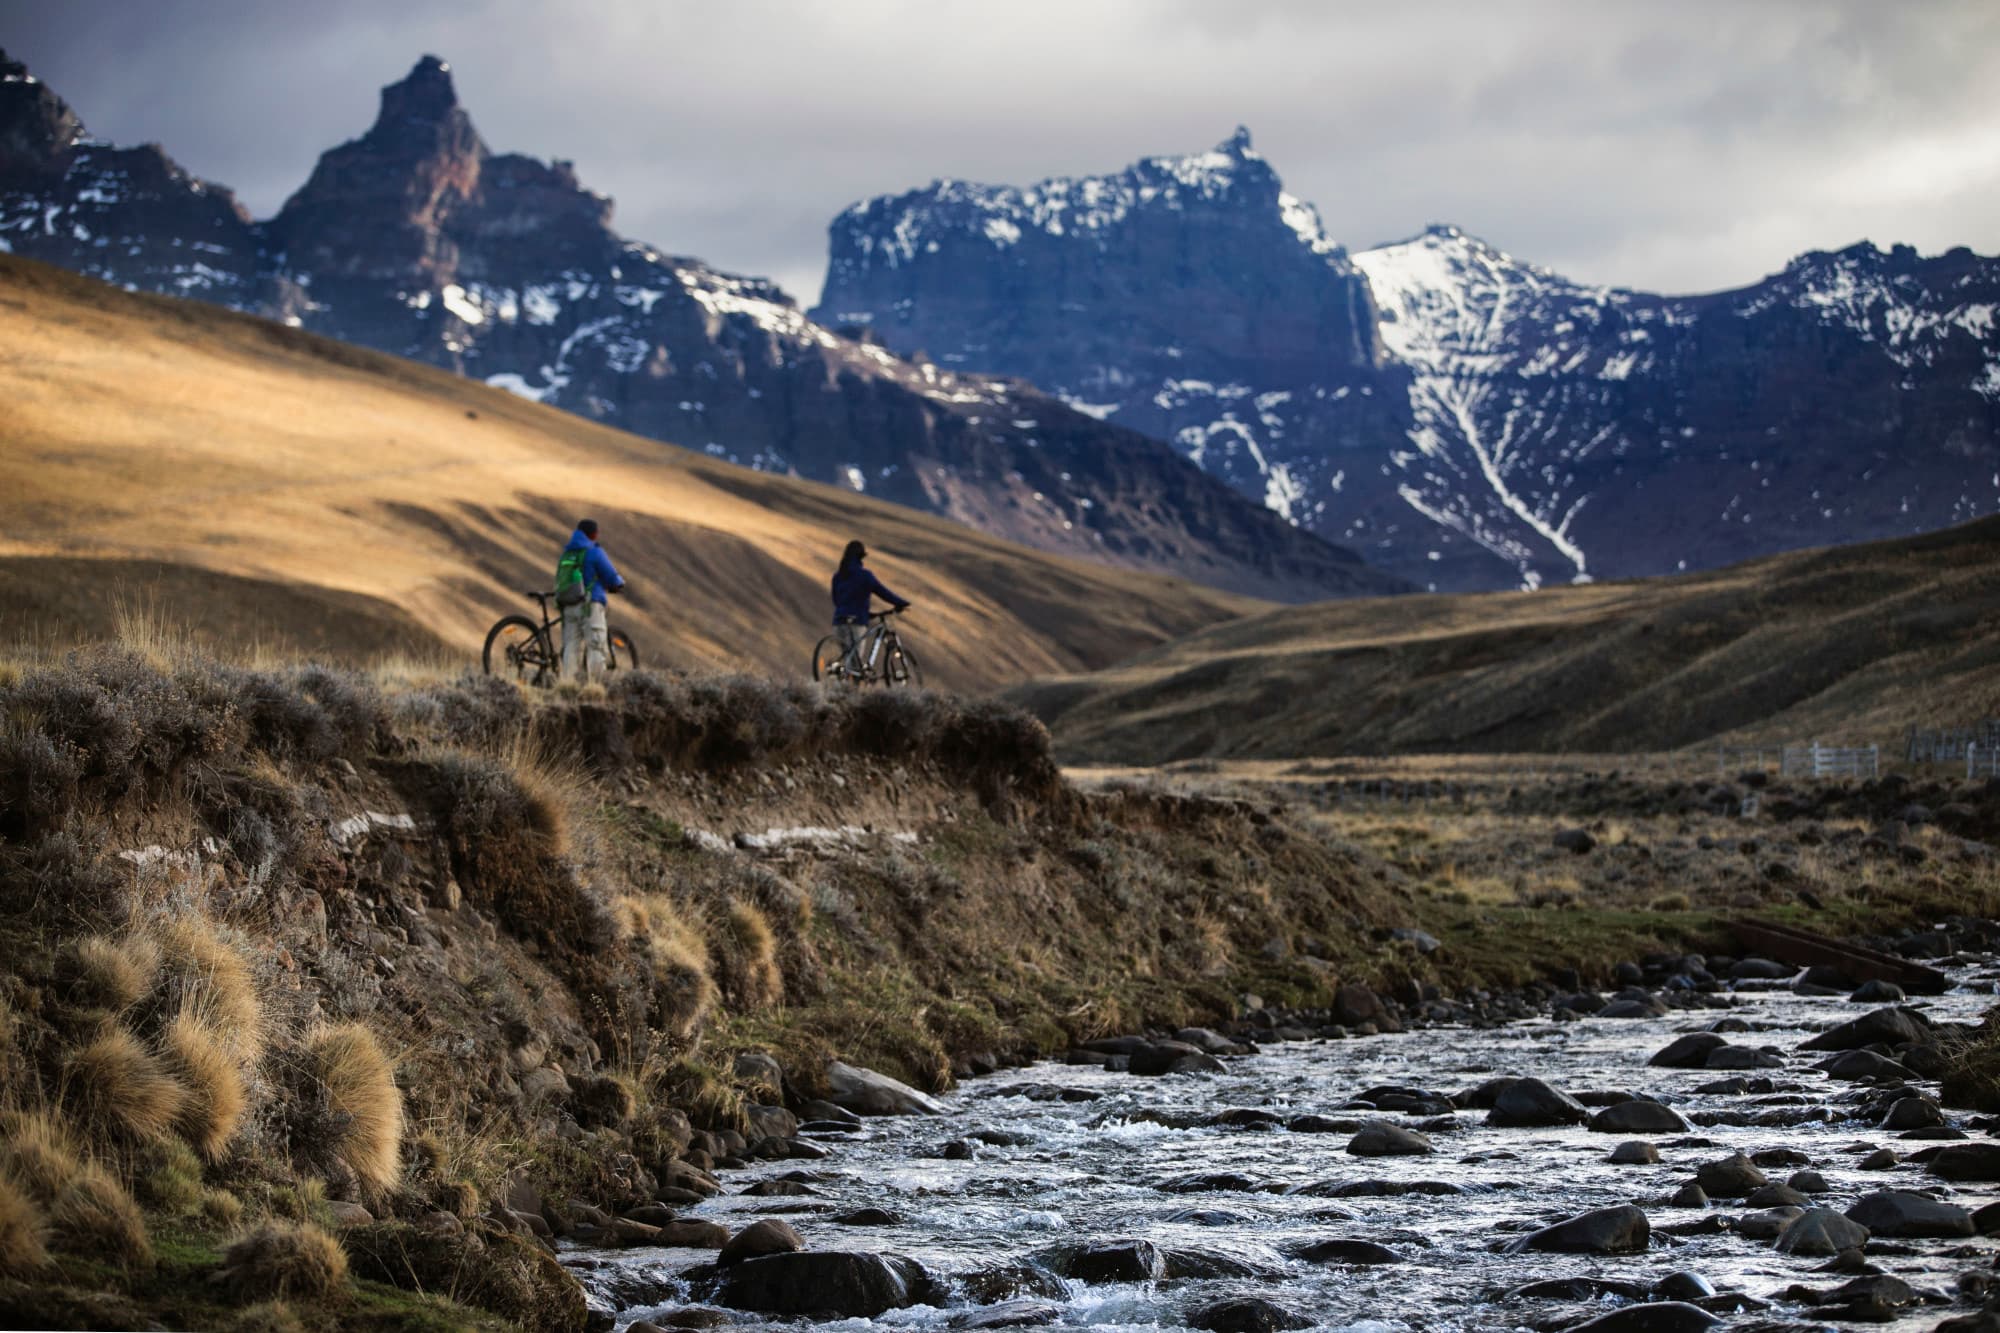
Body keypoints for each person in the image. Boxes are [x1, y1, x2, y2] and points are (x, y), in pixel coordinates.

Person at [556, 518, 625, 681]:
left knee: (571, 646)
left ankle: (567, 684)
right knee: (596, 645)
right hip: (589, 605)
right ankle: (596, 686)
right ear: (593, 534)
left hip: (568, 606)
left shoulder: (567, 553)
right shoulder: (594, 552)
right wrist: (619, 584)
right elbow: (611, 576)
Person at [831, 539, 908, 673]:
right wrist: (900, 602)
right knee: (854, 665)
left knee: (848, 659)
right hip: (856, 622)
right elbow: (883, 592)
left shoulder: (838, 576)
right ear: (861, 556)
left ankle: (840, 681)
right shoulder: (865, 576)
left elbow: (836, 599)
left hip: (838, 622)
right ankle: (851, 684)